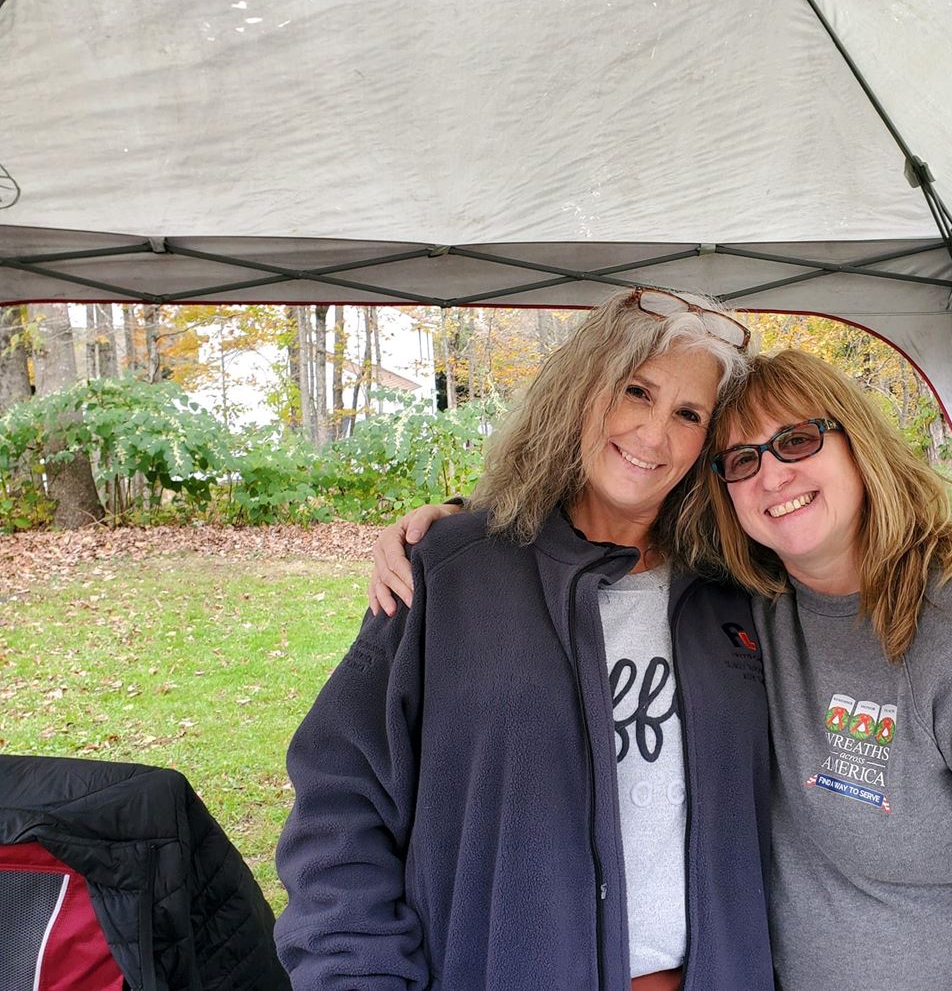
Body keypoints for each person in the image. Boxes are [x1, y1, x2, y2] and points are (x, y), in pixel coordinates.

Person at [371, 349, 952, 990]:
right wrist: (461, 528)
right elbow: (608, 512)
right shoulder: (752, 601)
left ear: (858, 443)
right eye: (742, 459)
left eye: (798, 441)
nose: (772, 475)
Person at [278, 288, 776, 991]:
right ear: (581, 390)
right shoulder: (449, 570)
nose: (655, 435)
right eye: (637, 392)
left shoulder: (742, 594)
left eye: (688, 414)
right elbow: (340, 801)